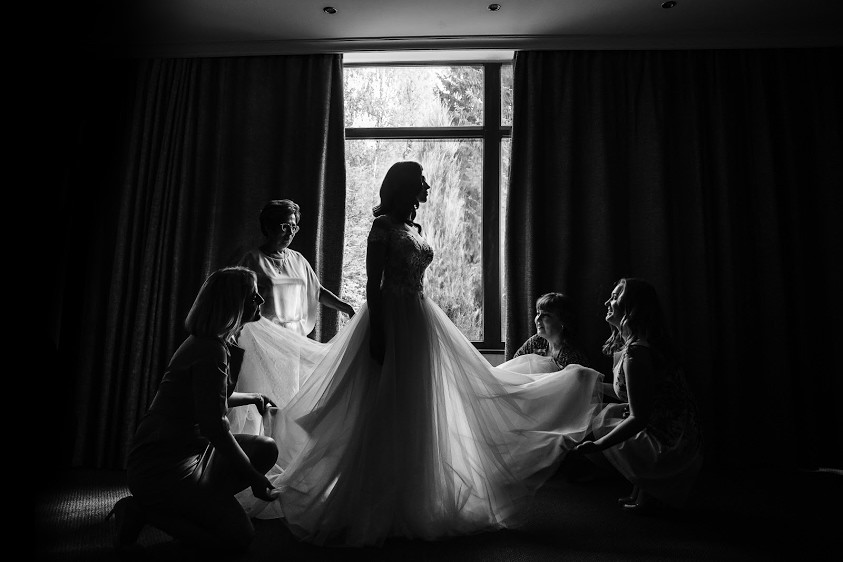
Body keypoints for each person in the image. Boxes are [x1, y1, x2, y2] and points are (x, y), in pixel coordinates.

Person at [235, 161, 604, 547]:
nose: (426, 186)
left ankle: (419, 495)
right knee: (382, 406)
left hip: (420, 319)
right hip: (391, 320)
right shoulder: (382, 227)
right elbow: (374, 286)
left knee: (422, 404)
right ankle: (372, 498)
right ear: (404, 186)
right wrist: (378, 333)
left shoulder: (416, 228)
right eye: (421, 181)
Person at [107, 267, 281, 553]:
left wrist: (254, 397)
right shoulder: (209, 349)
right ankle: (142, 510)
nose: (261, 300)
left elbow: (211, 398)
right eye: (253, 296)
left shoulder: (212, 343)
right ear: (233, 304)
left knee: (266, 448)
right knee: (237, 540)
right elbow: (215, 426)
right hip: (163, 465)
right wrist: (253, 477)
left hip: (194, 452)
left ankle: (200, 504)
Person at [573, 278, 703, 512]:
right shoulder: (636, 346)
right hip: (668, 428)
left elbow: (638, 417)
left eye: (615, 297)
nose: (607, 302)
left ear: (631, 307)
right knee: (608, 412)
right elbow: (630, 393)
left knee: (604, 420)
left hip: (672, 443)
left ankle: (652, 487)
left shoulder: (636, 353)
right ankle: (643, 489)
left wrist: (598, 445)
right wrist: (588, 380)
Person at [231, 199, 356, 426]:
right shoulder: (251, 260)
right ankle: (253, 444)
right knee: (259, 396)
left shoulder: (298, 259)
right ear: (268, 227)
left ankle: (279, 444)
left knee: (287, 397)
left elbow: (317, 291)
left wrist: (346, 308)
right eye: (284, 226)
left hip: (291, 342)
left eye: (294, 227)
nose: (290, 232)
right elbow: (236, 298)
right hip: (260, 340)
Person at [513, 292, 591, 369]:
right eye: (538, 313)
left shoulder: (573, 354)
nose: (538, 319)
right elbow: (513, 365)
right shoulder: (536, 342)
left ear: (562, 321)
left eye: (546, 315)